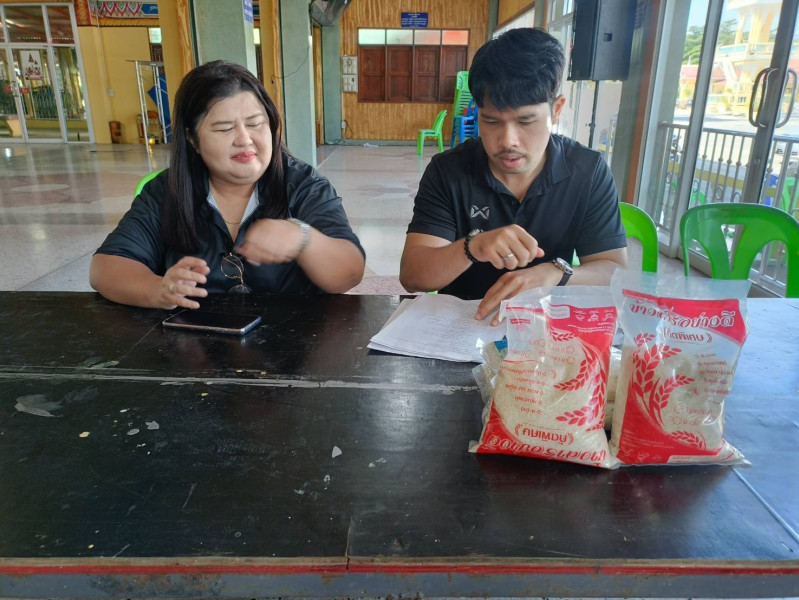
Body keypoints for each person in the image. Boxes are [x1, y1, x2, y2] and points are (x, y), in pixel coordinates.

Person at [90, 60, 365, 309]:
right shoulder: (167, 191)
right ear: (192, 139)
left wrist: (303, 238)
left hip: (292, 342)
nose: (244, 139)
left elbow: (350, 273)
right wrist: (156, 289)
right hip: (195, 342)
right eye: (224, 129)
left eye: (255, 124)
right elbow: (106, 266)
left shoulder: (304, 186)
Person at [399, 28, 628, 324]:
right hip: (461, 326)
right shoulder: (449, 170)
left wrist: (556, 273)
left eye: (525, 121)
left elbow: (614, 272)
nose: (508, 141)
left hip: (544, 331)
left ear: (556, 110)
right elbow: (413, 277)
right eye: (491, 121)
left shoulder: (587, 171)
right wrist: (472, 247)